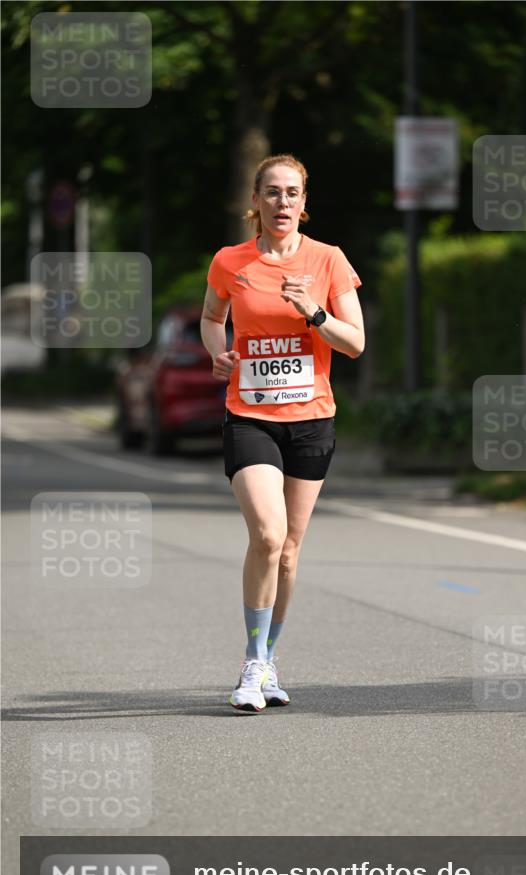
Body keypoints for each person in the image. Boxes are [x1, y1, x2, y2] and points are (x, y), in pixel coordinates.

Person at [201, 154, 364, 712]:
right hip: (249, 415)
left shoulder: (328, 260)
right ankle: (251, 665)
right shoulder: (230, 261)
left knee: (290, 552)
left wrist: (314, 312)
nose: (282, 203)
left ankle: (269, 660)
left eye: (292, 193)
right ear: (256, 200)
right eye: (272, 193)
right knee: (268, 536)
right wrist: (216, 352)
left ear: (303, 201)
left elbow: (355, 342)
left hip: (312, 420)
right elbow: (209, 317)